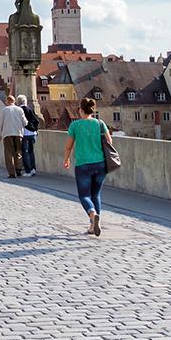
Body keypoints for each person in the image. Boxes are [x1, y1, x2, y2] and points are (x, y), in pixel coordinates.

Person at [63, 96, 113, 236]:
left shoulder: (75, 125)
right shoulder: (100, 123)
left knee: (84, 195)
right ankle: (93, 225)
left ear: (80, 110)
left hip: (83, 164)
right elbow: (109, 141)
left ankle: (92, 214)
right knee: (95, 194)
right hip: (100, 163)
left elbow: (69, 146)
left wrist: (66, 159)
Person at [0, 94, 26, 178]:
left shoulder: (4, 110)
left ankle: (11, 172)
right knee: (18, 152)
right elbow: (25, 122)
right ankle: (19, 169)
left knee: (9, 154)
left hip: (7, 134)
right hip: (18, 133)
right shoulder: (20, 110)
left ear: (8, 101)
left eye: (6, 101)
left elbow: (0, 124)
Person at [18, 94, 39, 177]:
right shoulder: (30, 109)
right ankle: (33, 169)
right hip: (32, 133)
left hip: (25, 133)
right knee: (31, 151)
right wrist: (35, 129)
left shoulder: (19, 110)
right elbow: (36, 120)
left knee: (25, 152)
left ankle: (28, 171)